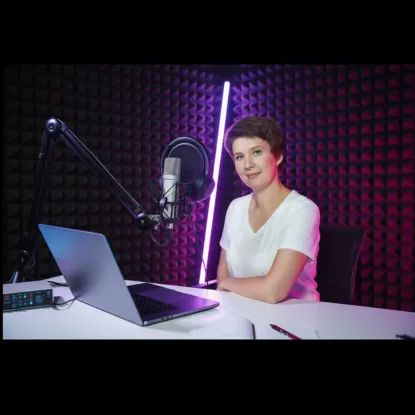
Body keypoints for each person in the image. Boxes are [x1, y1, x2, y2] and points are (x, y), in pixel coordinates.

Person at [217, 115, 320, 303]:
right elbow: (222, 280)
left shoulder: (302, 210)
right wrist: (226, 286)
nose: (248, 164)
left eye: (256, 152)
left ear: (277, 156)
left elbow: (274, 291)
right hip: (242, 313)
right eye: (239, 157)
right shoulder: (235, 208)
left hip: (296, 317)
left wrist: (227, 284)